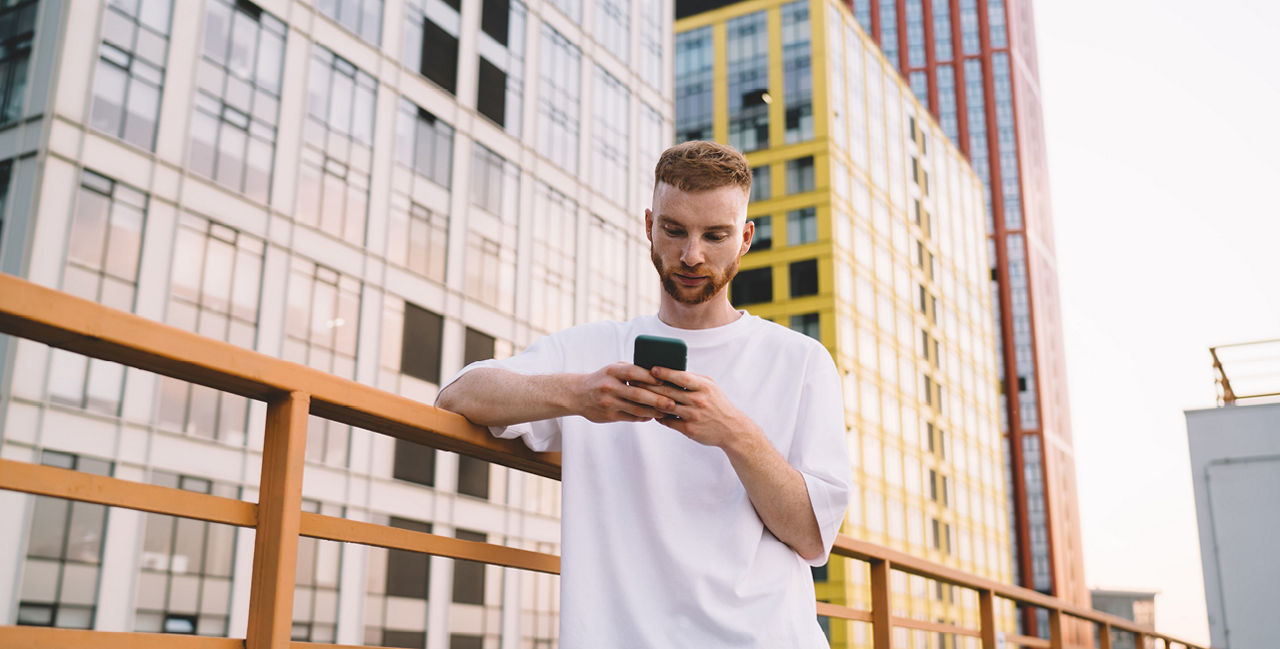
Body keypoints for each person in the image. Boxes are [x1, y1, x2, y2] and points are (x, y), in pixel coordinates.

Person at [436, 140, 851, 647]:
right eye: (674, 230)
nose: (691, 255)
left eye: (714, 235)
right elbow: (459, 395)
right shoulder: (591, 348)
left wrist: (734, 432)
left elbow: (811, 535)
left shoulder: (802, 361)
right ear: (649, 225)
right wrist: (578, 393)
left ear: (744, 239)